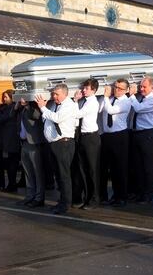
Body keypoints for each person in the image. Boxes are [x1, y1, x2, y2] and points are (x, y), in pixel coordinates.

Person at [36, 83, 77, 214]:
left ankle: (66, 204)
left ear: (65, 94)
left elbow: (57, 118)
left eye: (57, 94)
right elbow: (47, 120)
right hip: (54, 143)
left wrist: (43, 108)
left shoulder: (69, 105)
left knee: (64, 175)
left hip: (63, 143)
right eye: (53, 94)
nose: (54, 96)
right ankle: (61, 201)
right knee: (58, 175)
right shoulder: (54, 105)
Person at [128, 76, 153, 204]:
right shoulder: (142, 98)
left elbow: (138, 109)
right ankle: (140, 192)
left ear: (151, 87)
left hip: (148, 134)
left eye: (144, 87)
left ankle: (148, 194)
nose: (141, 89)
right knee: (138, 165)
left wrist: (131, 95)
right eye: (140, 86)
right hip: (138, 133)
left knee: (147, 166)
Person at [99, 79, 132, 207]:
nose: (117, 90)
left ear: (126, 90)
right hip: (107, 135)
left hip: (119, 136)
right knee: (110, 168)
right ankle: (113, 195)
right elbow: (101, 109)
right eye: (116, 87)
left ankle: (121, 196)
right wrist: (105, 96)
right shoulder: (109, 99)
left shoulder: (126, 101)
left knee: (120, 168)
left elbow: (111, 110)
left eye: (120, 88)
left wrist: (106, 97)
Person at [73, 79, 102, 209]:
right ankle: (87, 197)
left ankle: (95, 199)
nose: (84, 90)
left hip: (91, 138)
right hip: (83, 138)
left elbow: (78, 114)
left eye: (87, 88)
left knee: (92, 170)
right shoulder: (86, 101)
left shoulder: (92, 102)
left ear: (94, 90)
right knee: (83, 169)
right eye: (84, 88)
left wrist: (75, 101)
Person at [17, 98, 46, 207]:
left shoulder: (34, 107)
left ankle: (39, 198)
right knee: (28, 172)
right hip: (24, 142)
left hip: (34, 143)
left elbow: (36, 116)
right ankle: (30, 196)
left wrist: (28, 105)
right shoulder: (22, 109)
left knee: (37, 172)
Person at [0, 90, 21, 192]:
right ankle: (11, 184)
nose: (4, 99)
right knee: (11, 163)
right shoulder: (8, 107)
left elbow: (2, 119)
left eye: (6, 97)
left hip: (12, 138)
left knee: (12, 164)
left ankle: (12, 185)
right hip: (9, 138)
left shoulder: (12, 108)